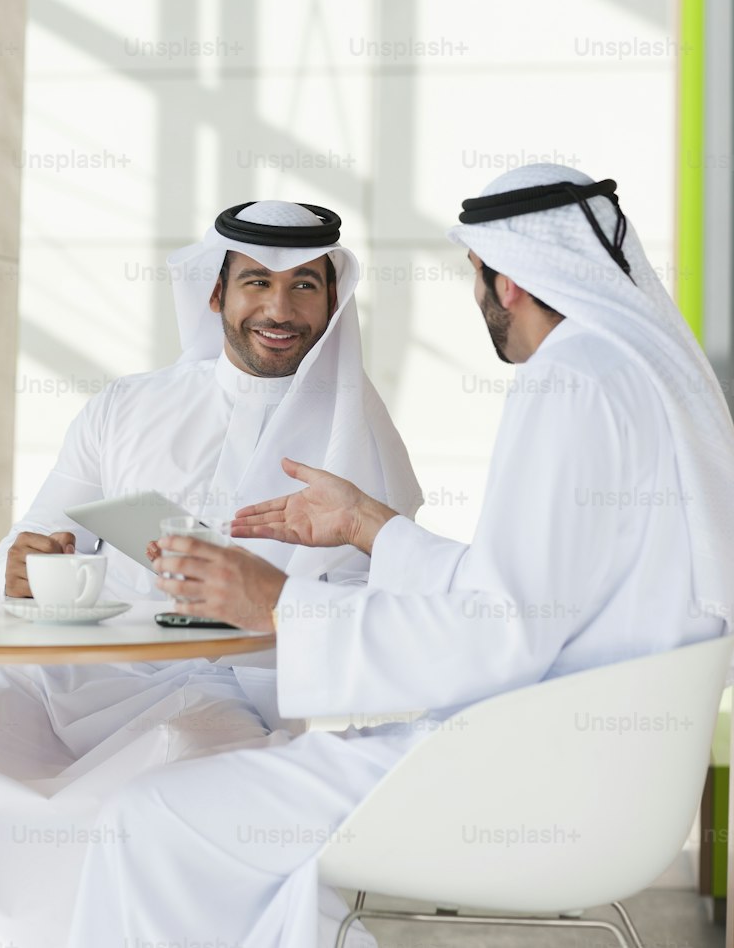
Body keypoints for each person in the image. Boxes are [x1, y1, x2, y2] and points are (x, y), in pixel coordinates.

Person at [65, 163, 734, 948]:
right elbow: (525, 598)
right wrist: (369, 524)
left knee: (146, 817)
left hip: (527, 774)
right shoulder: (637, 373)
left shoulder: (569, 381)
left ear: (508, 279)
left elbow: (495, 634)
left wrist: (278, 605)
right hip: (590, 766)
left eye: (476, 278)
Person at [0, 199, 422, 945]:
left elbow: (384, 614)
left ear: (333, 298)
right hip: (70, 680)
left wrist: (267, 601)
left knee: (176, 779)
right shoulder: (126, 407)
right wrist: (21, 565)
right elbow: (33, 539)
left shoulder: (360, 437)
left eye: (305, 287)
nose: (279, 308)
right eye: (257, 282)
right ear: (216, 293)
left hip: (222, 691)